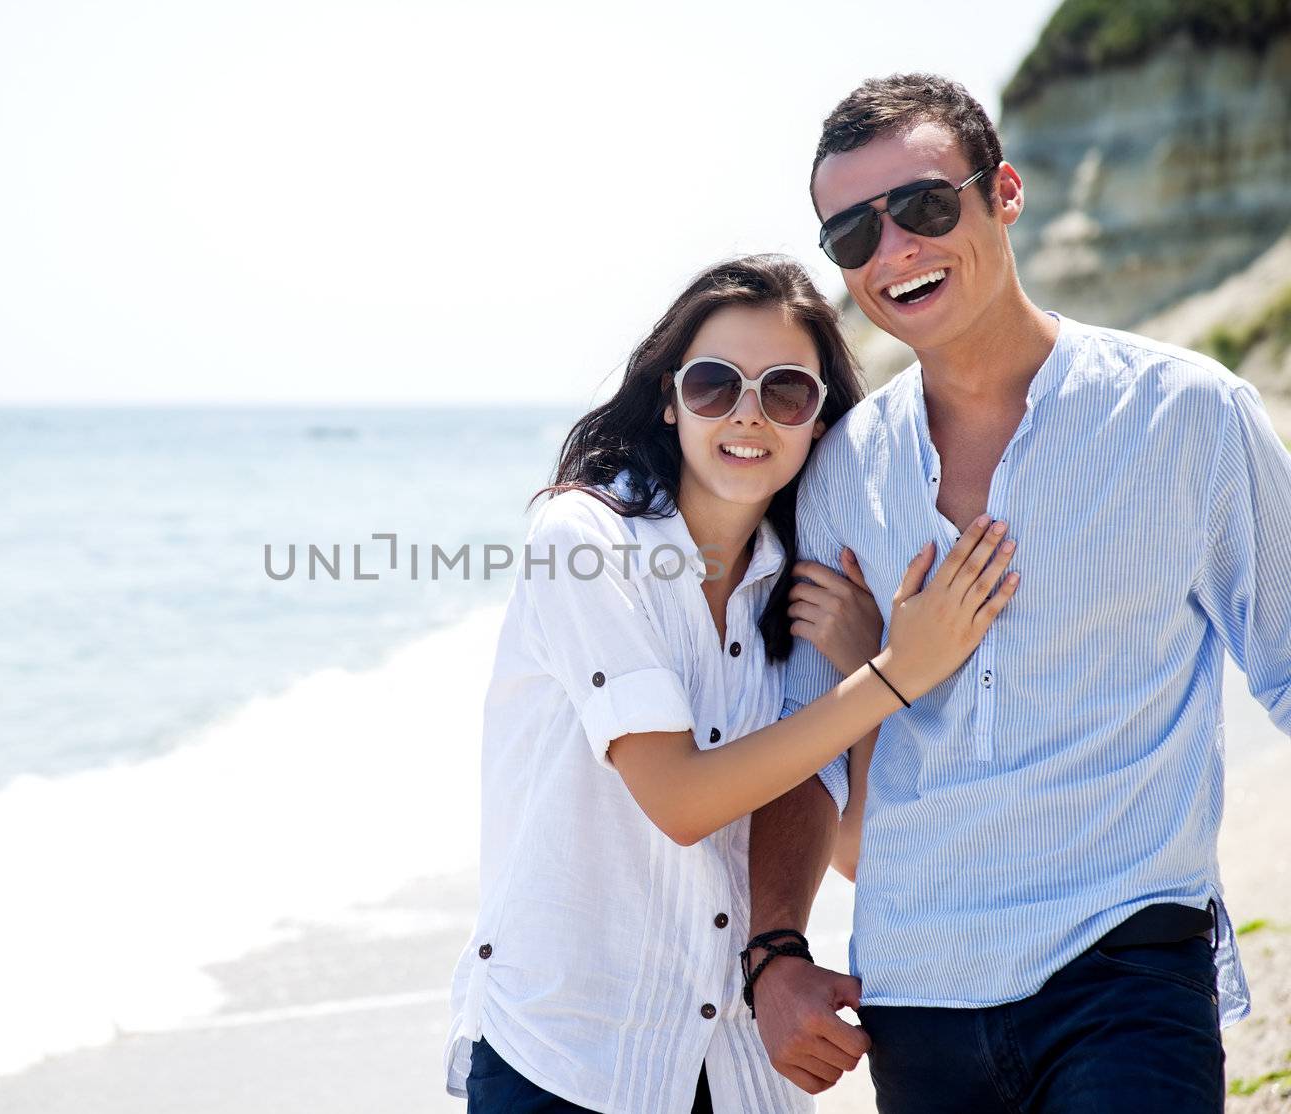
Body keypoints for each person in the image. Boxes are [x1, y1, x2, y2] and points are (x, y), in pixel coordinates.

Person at [774, 73, 1291, 1113]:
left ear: (1003, 192)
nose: (895, 252)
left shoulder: (1187, 415)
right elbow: (803, 763)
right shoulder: (838, 475)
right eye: (851, 236)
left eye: (923, 207)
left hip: (1125, 961)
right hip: (914, 992)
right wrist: (774, 955)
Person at [441, 253, 1020, 1114]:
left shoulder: (820, 590)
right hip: (569, 1058)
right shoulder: (583, 538)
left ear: (819, 422)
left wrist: (867, 682)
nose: (749, 415)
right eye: (716, 385)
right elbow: (680, 800)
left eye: (785, 392)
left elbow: (858, 853)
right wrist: (899, 673)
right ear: (670, 400)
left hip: (745, 1072)